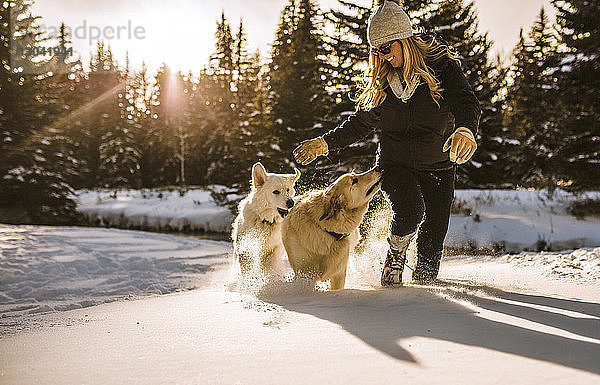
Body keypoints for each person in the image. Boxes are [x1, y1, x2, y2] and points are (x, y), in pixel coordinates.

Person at [292, 0, 481, 287]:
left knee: (435, 228)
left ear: (403, 39)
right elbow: (360, 124)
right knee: (410, 210)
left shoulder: (442, 68)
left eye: (386, 48)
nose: (382, 57)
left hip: (439, 164)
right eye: (376, 51)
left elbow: (467, 102)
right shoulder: (383, 83)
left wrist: (466, 130)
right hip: (393, 165)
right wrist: (326, 143)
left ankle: (425, 287)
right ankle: (395, 257)